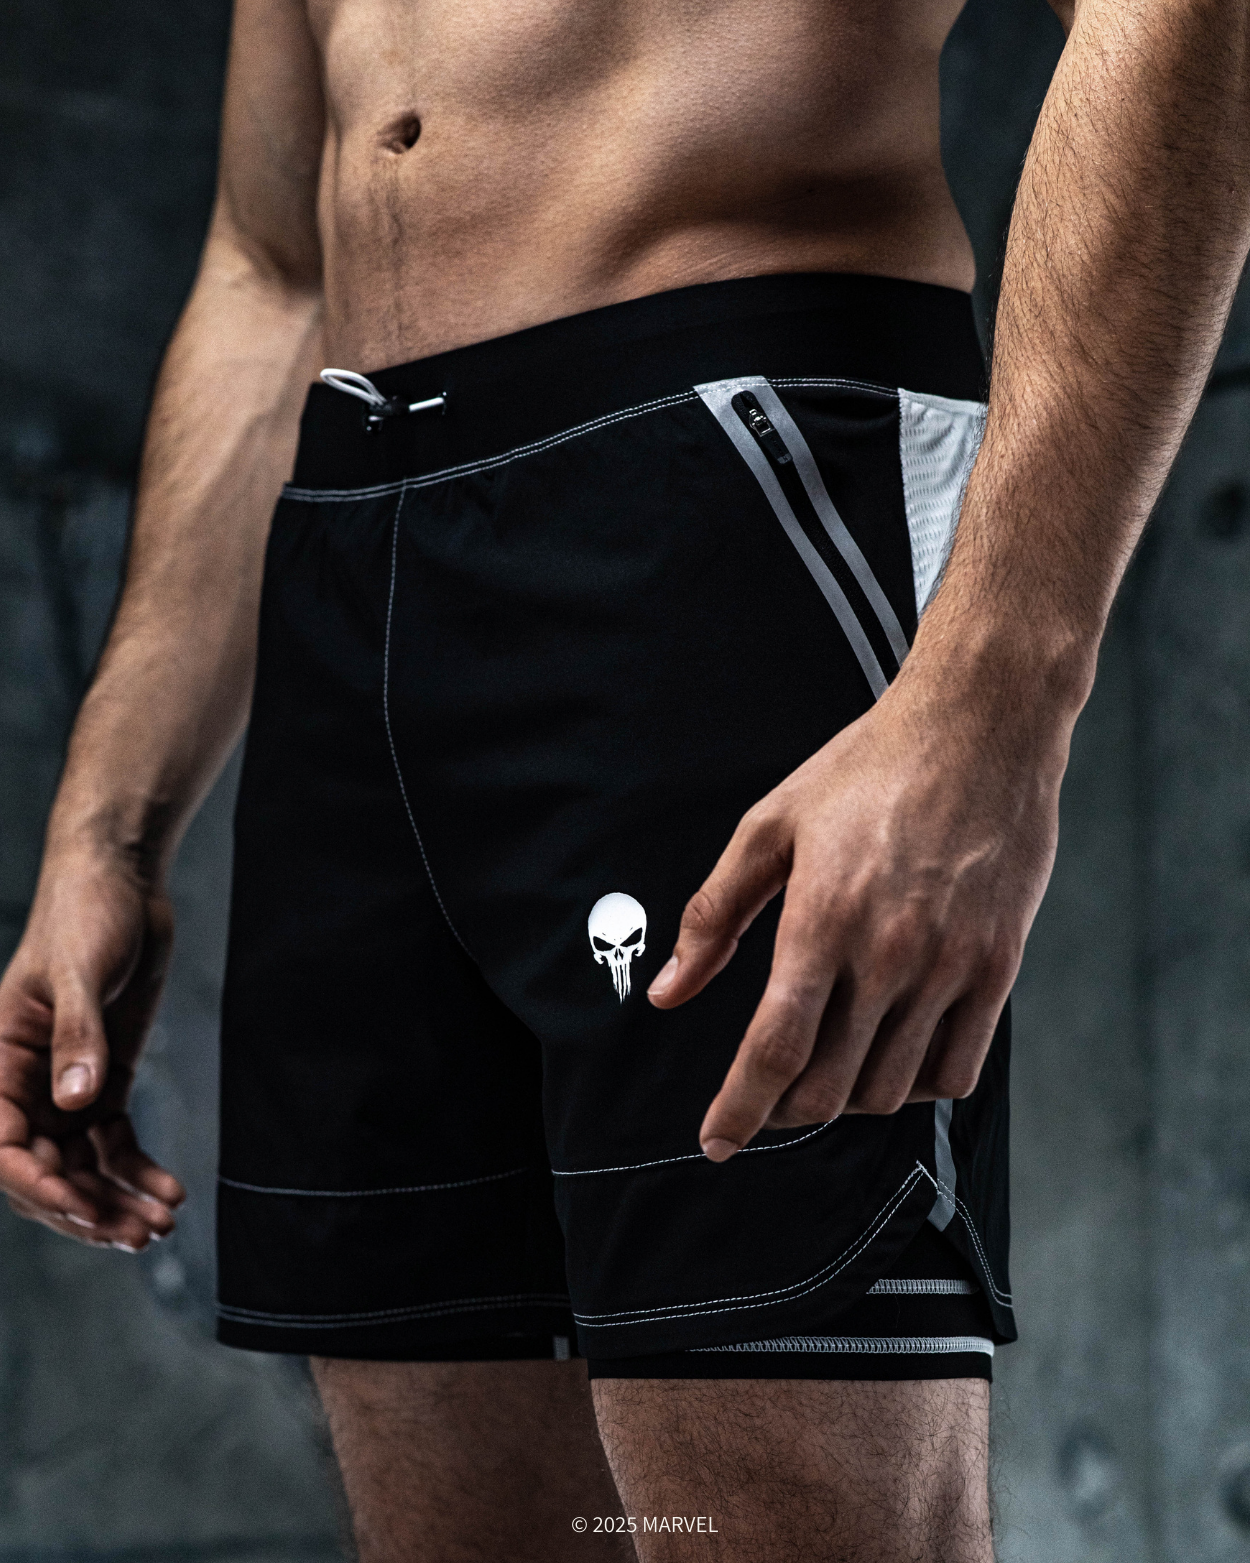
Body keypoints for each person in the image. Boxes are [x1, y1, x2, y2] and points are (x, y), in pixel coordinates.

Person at [2, 0, 1247, 1556]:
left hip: (724, 488)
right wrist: (108, 825)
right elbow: (273, 266)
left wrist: (993, 706)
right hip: (352, 555)